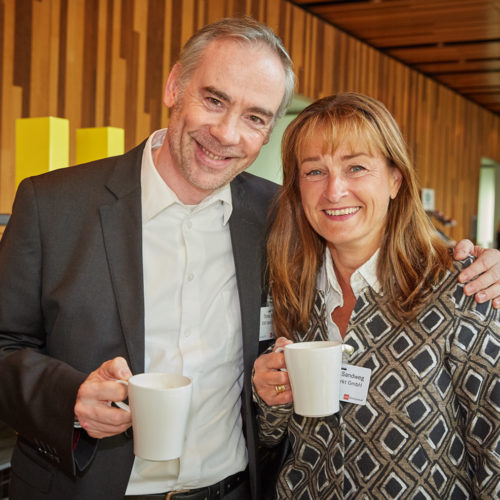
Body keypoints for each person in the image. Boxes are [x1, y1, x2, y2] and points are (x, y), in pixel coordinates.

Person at [0, 17, 497, 500]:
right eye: (214, 100)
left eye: (255, 117)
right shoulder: (54, 205)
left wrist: (469, 261)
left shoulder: (277, 216)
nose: (227, 133)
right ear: (175, 86)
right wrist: (68, 399)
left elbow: (371, 225)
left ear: (268, 131)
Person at [253, 92, 500, 499]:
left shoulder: (461, 286)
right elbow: (272, 440)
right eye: (315, 172)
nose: (334, 191)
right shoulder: (287, 288)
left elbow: (494, 447)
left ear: (394, 179)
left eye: (356, 167)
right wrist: (270, 397)